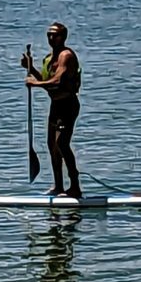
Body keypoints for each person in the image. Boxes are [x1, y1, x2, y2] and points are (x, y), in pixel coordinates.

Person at [23, 22, 82, 198]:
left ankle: (75, 187)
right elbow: (47, 82)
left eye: (55, 35)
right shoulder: (49, 57)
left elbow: (58, 81)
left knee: (62, 144)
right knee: (52, 146)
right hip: (55, 106)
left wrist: (35, 83)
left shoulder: (66, 56)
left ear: (63, 37)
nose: (51, 38)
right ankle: (58, 187)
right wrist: (31, 68)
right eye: (49, 34)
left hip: (68, 105)